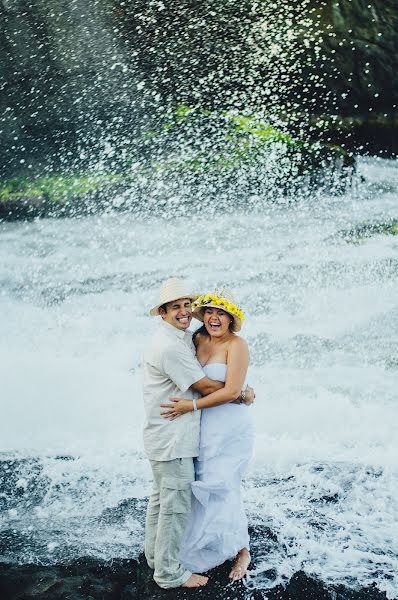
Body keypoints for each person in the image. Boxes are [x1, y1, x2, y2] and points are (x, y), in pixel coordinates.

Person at [142, 277, 253, 589]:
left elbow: (227, 388)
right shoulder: (182, 342)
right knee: (176, 499)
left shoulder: (205, 340)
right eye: (209, 311)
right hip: (185, 429)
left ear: (232, 317)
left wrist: (237, 392)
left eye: (186, 305)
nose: (213, 317)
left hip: (223, 428)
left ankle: (238, 549)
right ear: (163, 311)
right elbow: (208, 386)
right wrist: (241, 393)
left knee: (222, 485)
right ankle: (167, 567)